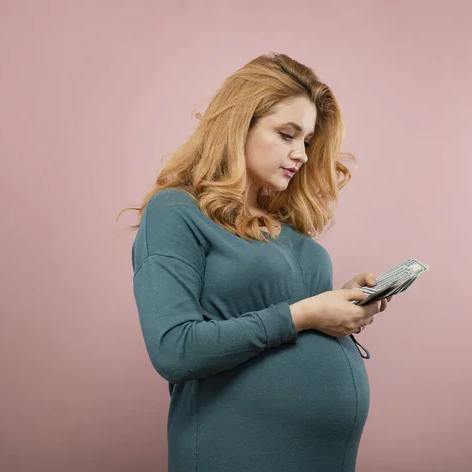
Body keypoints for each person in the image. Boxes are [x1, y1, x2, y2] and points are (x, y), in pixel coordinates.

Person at [117, 52, 392, 472]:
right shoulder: (175, 212)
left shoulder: (288, 227)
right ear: (238, 125)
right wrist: (306, 313)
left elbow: (290, 320)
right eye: (286, 134)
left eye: (307, 141)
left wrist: (337, 304)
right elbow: (175, 349)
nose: (300, 153)